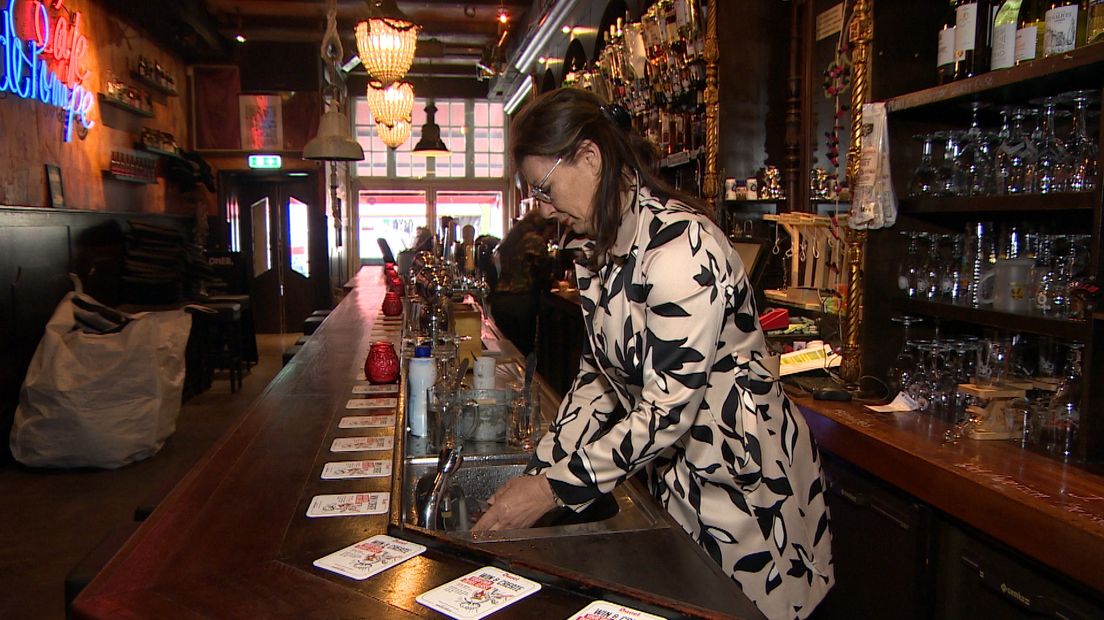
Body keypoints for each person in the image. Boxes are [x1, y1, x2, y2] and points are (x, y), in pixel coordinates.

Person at [472, 88, 834, 619]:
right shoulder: (597, 247)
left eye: (545, 189)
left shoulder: (681, 250)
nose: (544, 210)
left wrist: (552, 491)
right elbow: (597, 377)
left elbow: (667, 409)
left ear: (591, 158)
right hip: (676, 469)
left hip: (744, 476)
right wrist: (540, 469)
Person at [487, 208, 557, 356]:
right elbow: (541, 272)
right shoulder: (534, 240)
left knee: (507, 352)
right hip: (521, 302)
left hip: (501, 301)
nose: (552, 236)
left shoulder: (513, 238)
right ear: (546, 226)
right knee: (524, 353)